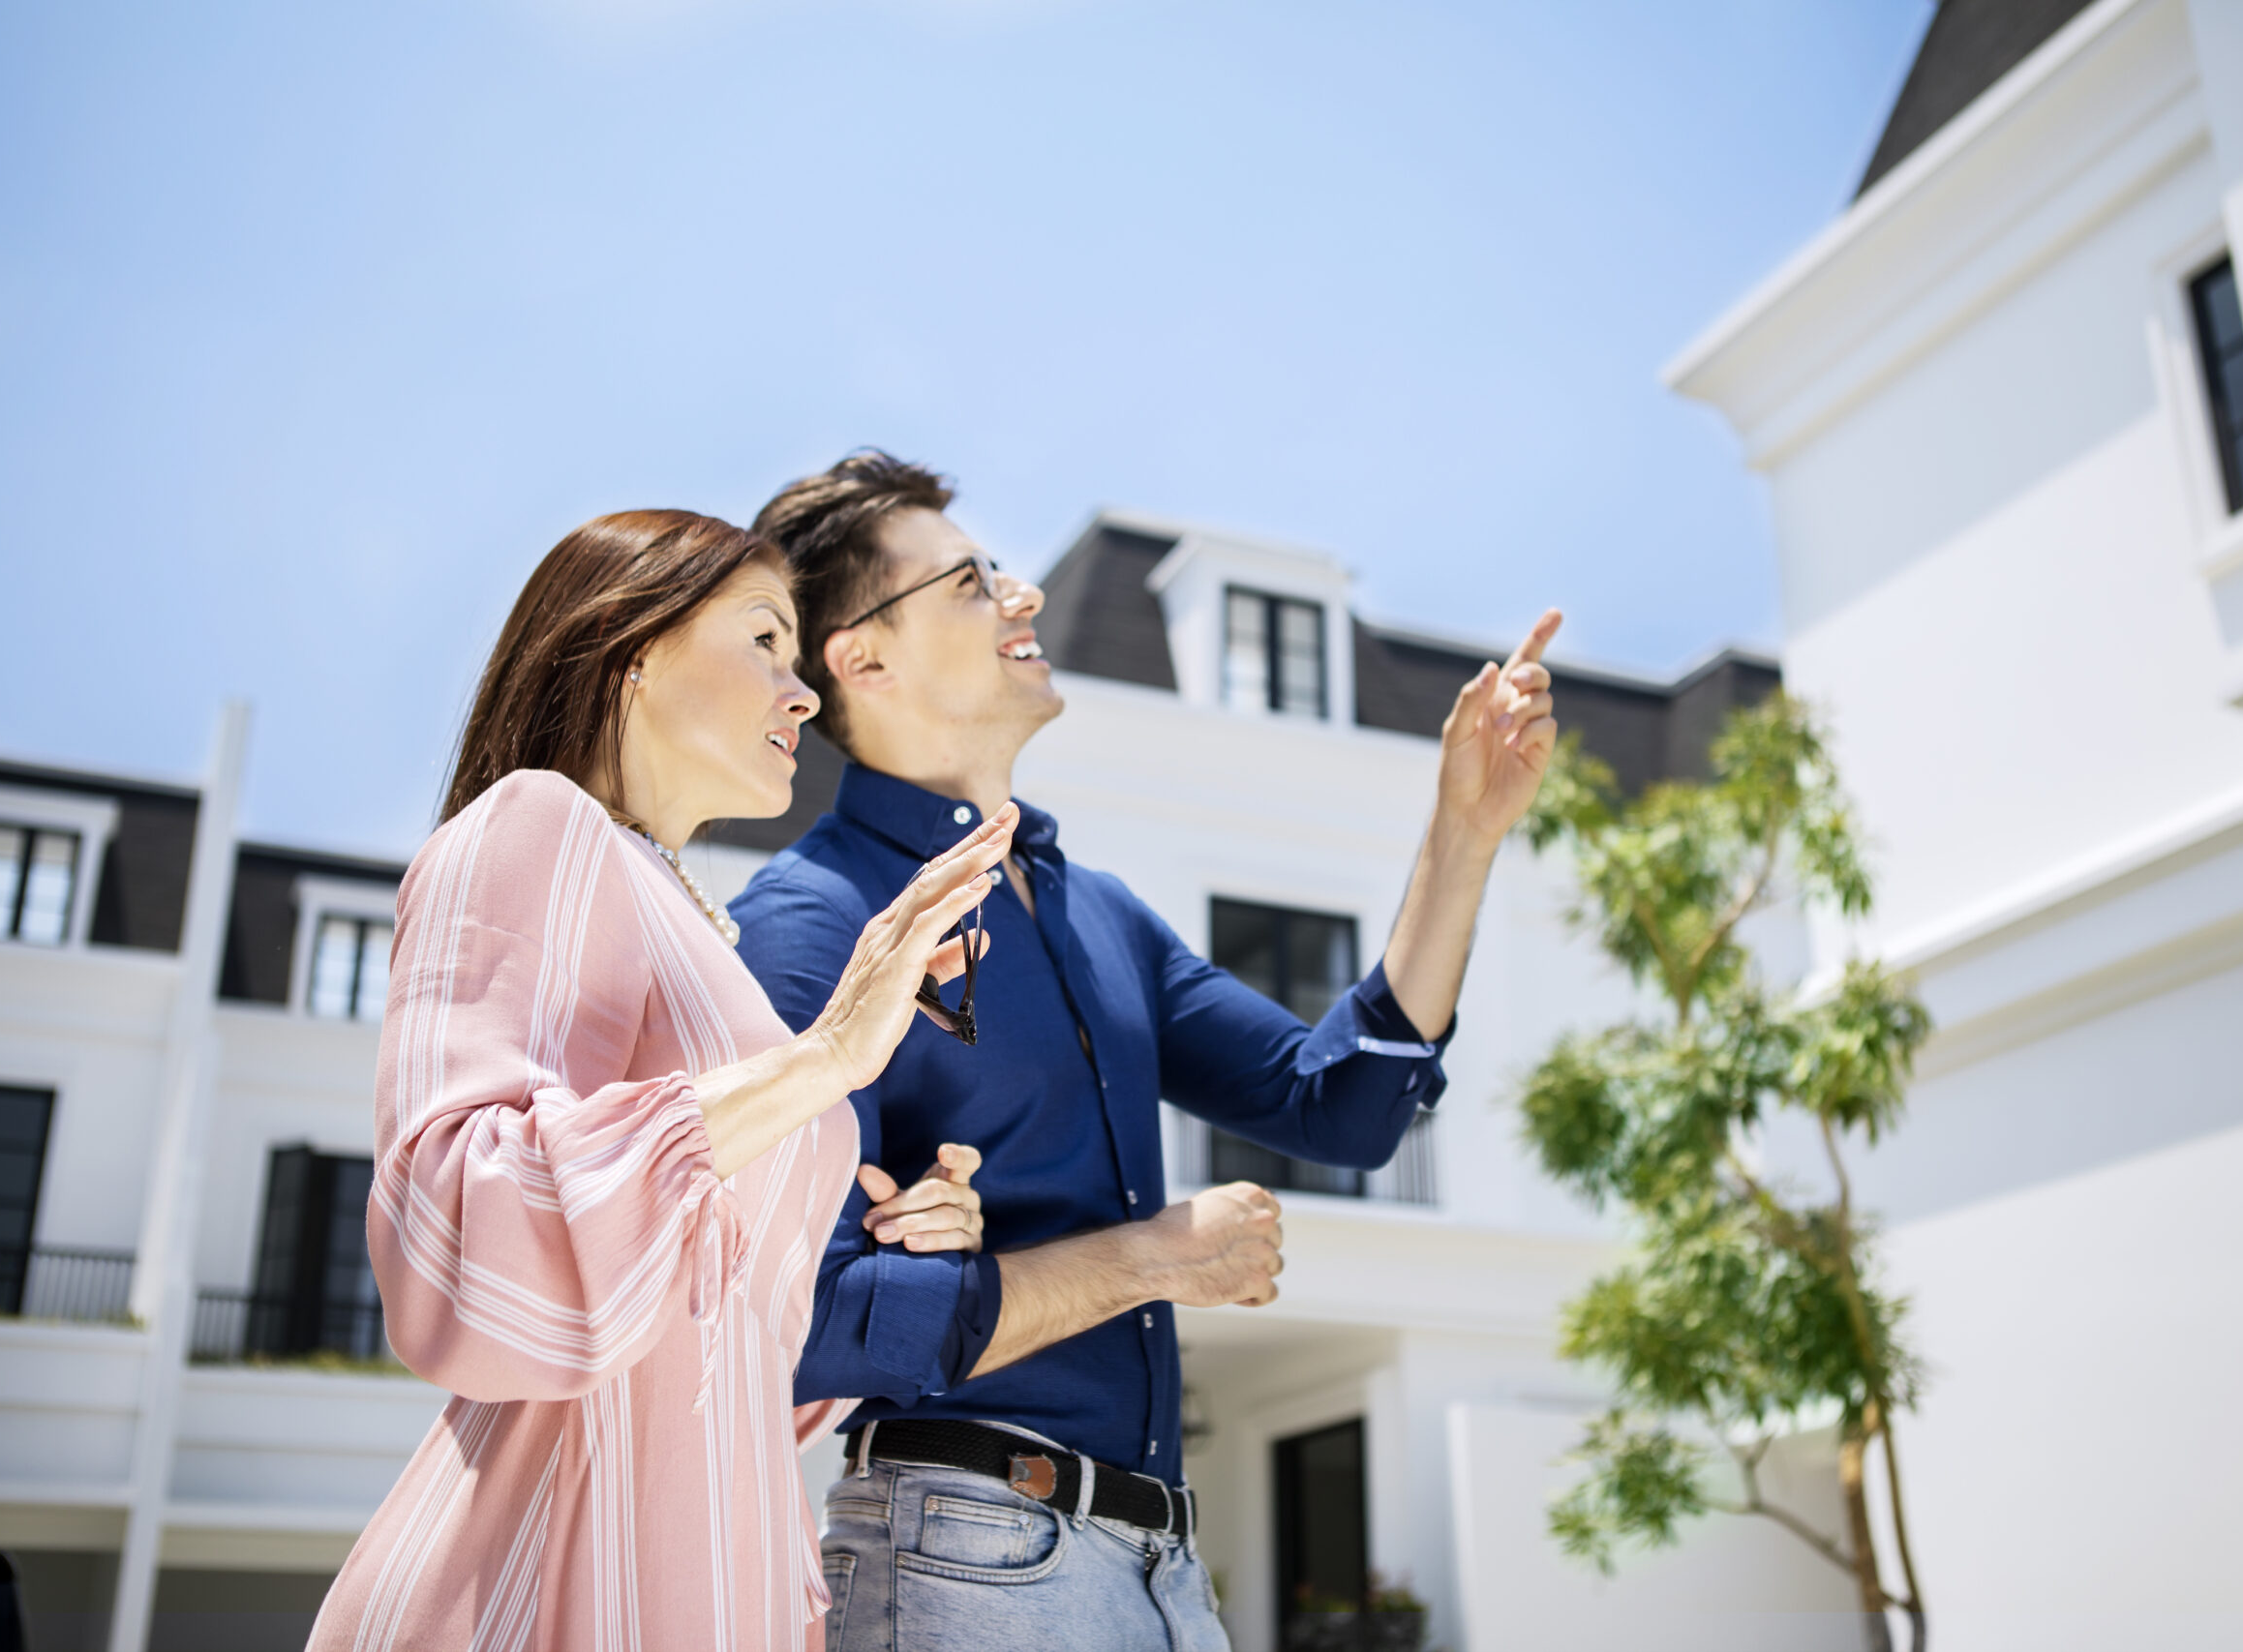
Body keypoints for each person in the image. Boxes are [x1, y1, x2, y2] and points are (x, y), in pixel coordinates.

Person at [733, 455, 1561, 1652]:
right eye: (972, 583)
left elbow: (1340, 1106)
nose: (1019, 598)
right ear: (864, 658)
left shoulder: (1095, 913)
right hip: (964, 1551)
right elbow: (801, 1318)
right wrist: (1151, 1259)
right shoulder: (810, 925)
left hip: (1158, 1564)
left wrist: (1465, 833)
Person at [309, 510, 1008, 1652]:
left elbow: (728, 1346)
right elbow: (460, 1230)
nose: (804, 695)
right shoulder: (535, 827)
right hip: (554, 1583)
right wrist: (825, 1058)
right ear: (631, 651)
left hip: (716, 1579)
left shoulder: (700, 937)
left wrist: (889, 1243)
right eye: (764, 641)